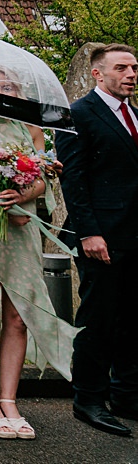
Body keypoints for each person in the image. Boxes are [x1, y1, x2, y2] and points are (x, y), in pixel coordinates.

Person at [0, 66, 76, 439]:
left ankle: (10, 399)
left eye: (9, 85)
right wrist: (0, 209)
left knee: (19, 312)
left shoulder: (31, 128)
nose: (3, 90)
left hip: (21, 225)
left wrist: (25, 196)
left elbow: (41, 178)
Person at [60, 43, 138, 437]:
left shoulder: (135, 116)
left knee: (132, 320)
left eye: (135, 68)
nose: (131, 74)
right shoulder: (79, 114)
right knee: (98, 318)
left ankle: (126, 394)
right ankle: (89, 399)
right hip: (100, 237)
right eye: (122, 67)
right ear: (98, 73)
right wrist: (89, 232)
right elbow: (72, 179)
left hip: (135, 234)